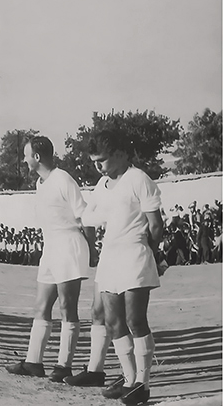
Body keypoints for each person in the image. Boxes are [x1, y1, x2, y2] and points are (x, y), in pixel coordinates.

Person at [81, 130, 164, 405]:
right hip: (110, 257)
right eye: (94, 161)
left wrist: (151, 253)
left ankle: (143, 383)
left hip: (134, 253)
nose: (97, 166)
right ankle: (128, 380)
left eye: (102, 160)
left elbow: (156, 226)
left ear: (120, 154)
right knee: (114, 322)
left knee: (135, 320)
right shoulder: (102, 184)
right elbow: (87, 215)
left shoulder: (138, 179)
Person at [6, 136, 94, 381]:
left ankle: (64, 366)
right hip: (51, 248)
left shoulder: (63, 179)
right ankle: (34, 362)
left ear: (37, 157)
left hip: (69, 245)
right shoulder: (40, 183)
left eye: (26, 155)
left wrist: (91, 250)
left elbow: (84, 216)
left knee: (67, 307)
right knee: (41, 306)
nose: (24, 160)